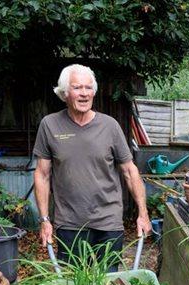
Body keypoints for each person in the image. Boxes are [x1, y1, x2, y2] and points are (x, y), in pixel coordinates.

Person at [32, 64, 151, 267]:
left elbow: (130, 172)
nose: (84, 94)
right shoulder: (50, 125)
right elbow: (42, 175)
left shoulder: (110, 126)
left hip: (108, 222)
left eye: (89, 88)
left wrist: (143, 213)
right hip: (69, 224)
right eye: (78, 88)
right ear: (65, 92)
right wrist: (44, 220)